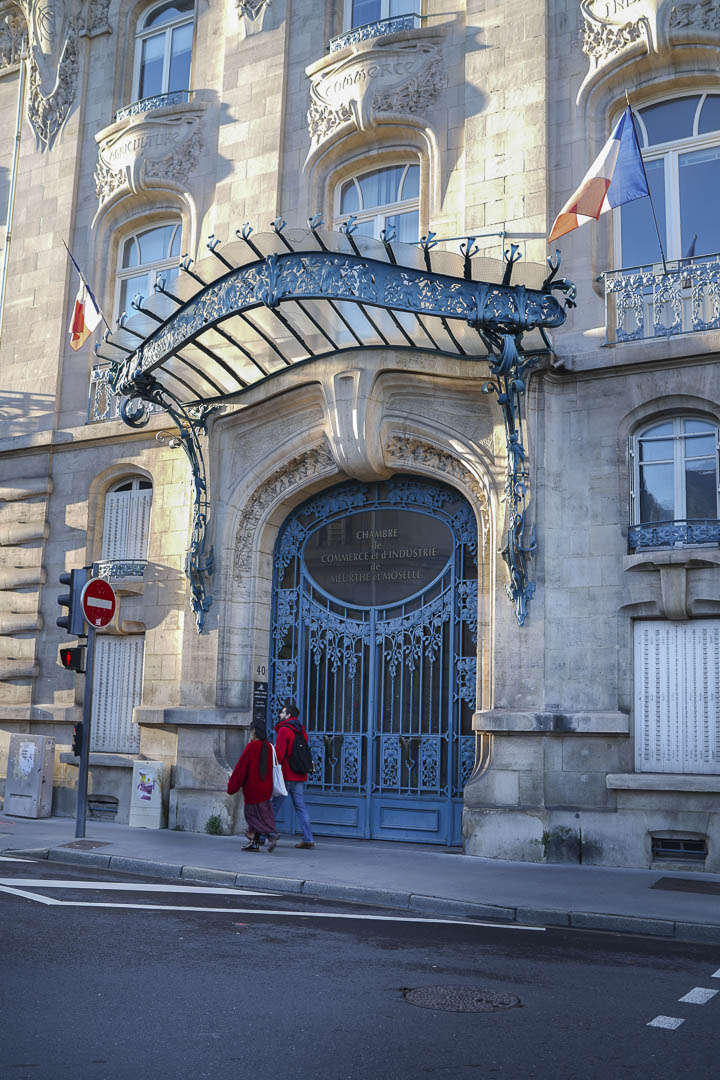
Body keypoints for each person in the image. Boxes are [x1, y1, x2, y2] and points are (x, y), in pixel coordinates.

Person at [226, 720, 279, 852]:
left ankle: (271, 835)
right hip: (265, 788)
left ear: (254, 731)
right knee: (263, 815)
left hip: (253, 789)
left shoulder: (251, 747)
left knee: (252, 816)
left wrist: (232, 786)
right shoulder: (268, 746)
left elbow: (241, 769)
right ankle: (255, 843)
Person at [272, 700, 315, 849]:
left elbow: (280, 754)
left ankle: (262, 835)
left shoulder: (284, 730)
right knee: (301, 807)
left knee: (274, 806)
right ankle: (308, 838)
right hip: (299, 775)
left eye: (282, 712)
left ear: (288, 715)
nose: (280, 714)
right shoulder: (301, 729)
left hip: (286, 775)